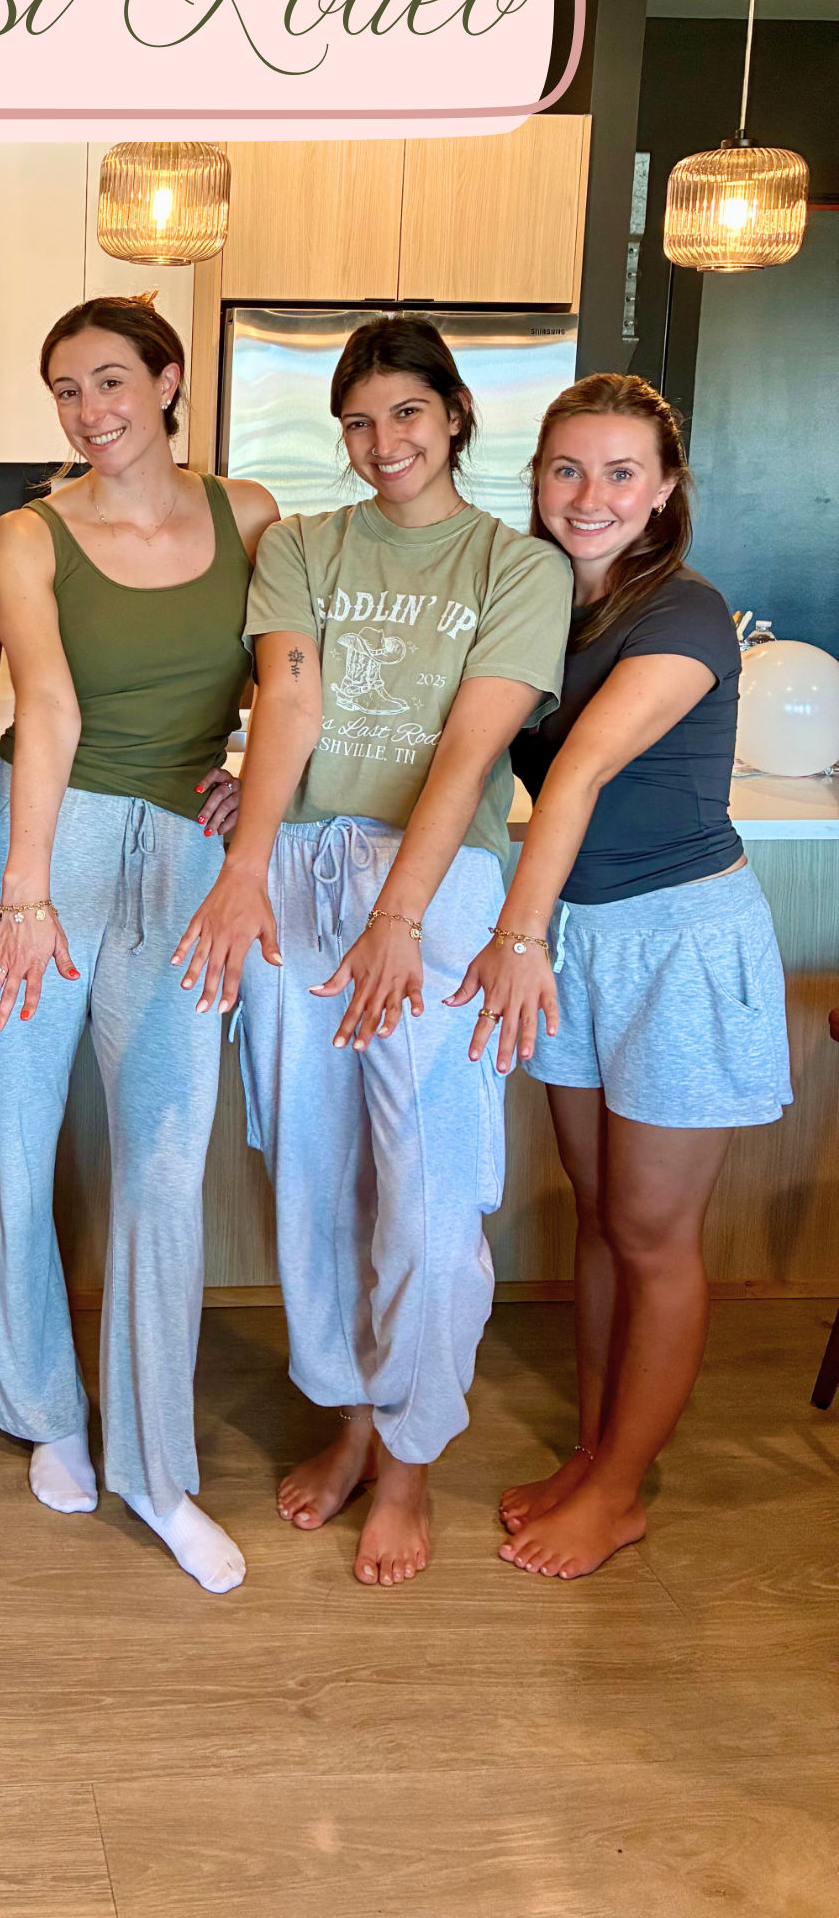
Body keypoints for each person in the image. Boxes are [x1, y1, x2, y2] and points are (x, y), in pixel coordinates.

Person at [176, 315, 572, 1587]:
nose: (382, 442)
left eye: (406, 413)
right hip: (302, 868)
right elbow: (289, 700)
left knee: (429, 1186)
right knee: (315, 1169)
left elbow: (469, 750)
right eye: (359, 421)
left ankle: (410, 1461)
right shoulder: (300, 546)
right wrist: (254, 847)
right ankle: (350, 1421)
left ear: (454, 416)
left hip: (438, 887)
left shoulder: (518, 568)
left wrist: (400, 913)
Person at [0, 293, 278, 1595]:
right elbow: (46, 699)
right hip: (45, 839)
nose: (91, 413)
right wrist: (27, 887)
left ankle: (156, 1469)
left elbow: (292, 677)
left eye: (109, 382)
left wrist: (262, 787)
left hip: (187, 852)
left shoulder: (250, 517)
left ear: (168, 378)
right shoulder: (29, 532)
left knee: (162, 1160)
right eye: (68, 392)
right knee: (16, 1143)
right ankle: (44, 1410)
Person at [449, 372, 790, 1579]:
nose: (590, 496)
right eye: (567, 470)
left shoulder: (685, 611)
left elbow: (581, 773)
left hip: (675, 943)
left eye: (621, 473)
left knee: (653, 1233)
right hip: (579, 938)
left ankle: (625, 1491)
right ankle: (599, 1457)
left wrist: (515, 938)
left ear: (665, 491)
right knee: (600, 1218)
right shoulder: (543, 604)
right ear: (536, 478)